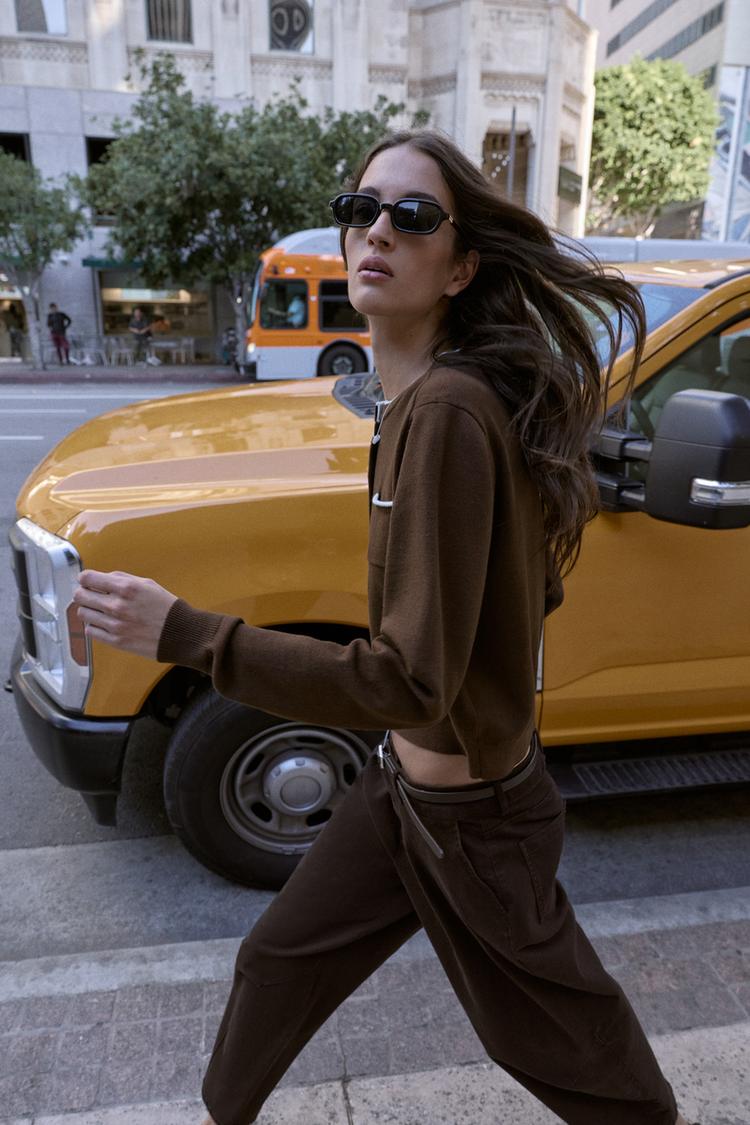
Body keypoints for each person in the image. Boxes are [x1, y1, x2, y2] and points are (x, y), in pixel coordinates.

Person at [71, 130, 700, 1125]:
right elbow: (524, 593)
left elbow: (409, 679)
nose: (377, 231)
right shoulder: (418, 404)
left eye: (412, 216)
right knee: (277, 961)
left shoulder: (448, 413)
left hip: (475, 820)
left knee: (560, 1042)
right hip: (400, 793)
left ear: (459, 267)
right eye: (361, 208)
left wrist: (188, 633)